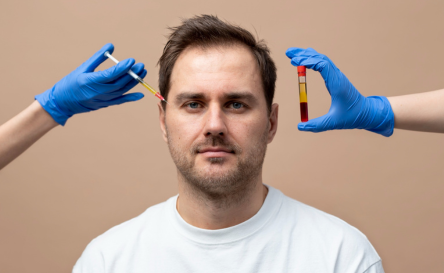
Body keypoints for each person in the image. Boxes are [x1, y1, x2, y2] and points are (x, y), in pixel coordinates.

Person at [0, 14, 442, 272]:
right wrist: (48, 108)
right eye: (192, 104)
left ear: (270, 122)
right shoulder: (108, 261)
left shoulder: (341, 257)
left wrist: (381, 109)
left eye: (235, 104)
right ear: (162, 118)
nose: (214, 124)